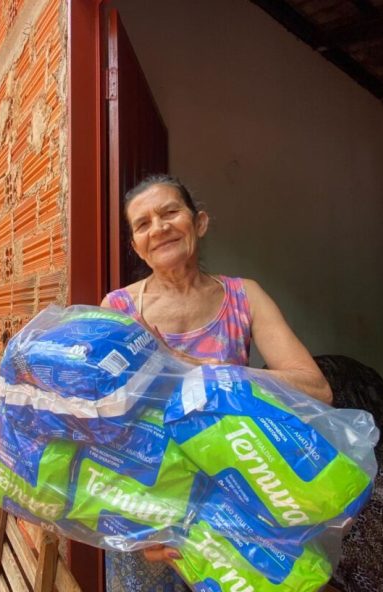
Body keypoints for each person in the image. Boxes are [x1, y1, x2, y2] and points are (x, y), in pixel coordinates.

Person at [100, 174, 332, 592]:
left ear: (199, 222)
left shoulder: (244, 297)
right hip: (150, 516)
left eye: (171, 212)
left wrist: (192, 367)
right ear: (136, 245)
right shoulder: (117, 309)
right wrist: (132, 523)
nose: (159, 227)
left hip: (239, 506)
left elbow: (316, 389)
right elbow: (102, 428)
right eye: (143, 223)